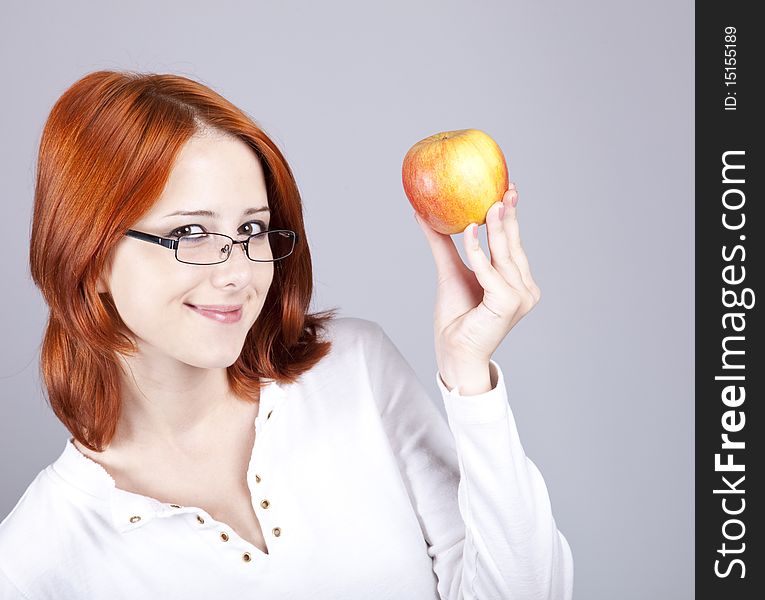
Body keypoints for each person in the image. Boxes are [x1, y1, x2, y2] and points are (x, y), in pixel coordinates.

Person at [0, 70, 573, 599]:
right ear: (90, 257)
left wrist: (469, 376)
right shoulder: (36, 560)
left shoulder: (356, 371)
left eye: (251, 228)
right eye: (192, 233)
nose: (238, 272)